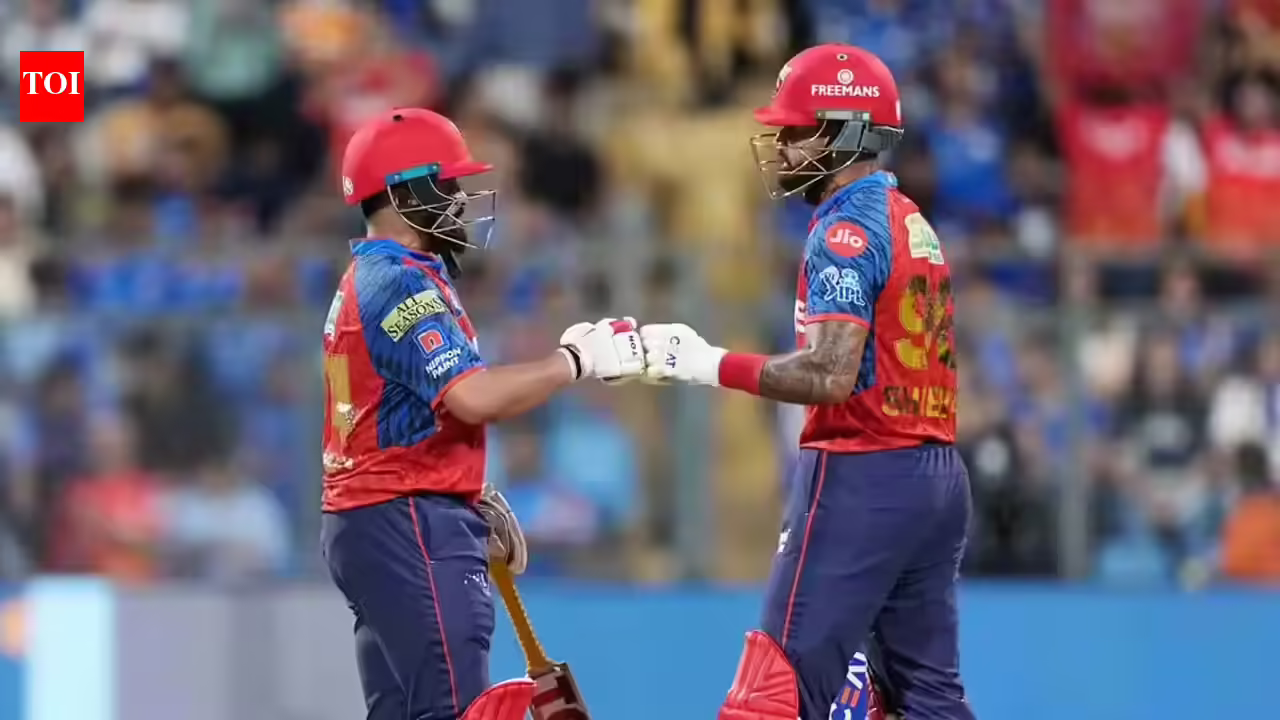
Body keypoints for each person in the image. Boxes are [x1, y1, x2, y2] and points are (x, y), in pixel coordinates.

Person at [638, 45, 974, 720]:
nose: (783, 149)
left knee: (775, 693)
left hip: (863, 471)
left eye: (796, 132)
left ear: (844, 133)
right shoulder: (909, 218)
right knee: (926, 700)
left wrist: (700, 361)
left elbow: (829, 373)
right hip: (935, 476)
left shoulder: (845, 227)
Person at [319, 107, 645, 720]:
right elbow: (471, 397)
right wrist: (575, 361)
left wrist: (461, 492)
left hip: (383, 516)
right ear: (405, 194)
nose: (461, 201)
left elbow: (398, 411)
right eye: (447, 186)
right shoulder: (399, 282)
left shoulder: (377, 273)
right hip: (406, 519)